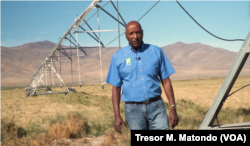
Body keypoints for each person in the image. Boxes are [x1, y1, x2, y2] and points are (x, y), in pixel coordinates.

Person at [106, 21, 179, 133]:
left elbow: (166, 81)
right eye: (131, 33)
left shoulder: (156, 51)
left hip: (156, 106)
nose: (135, 36)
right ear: (126, 35)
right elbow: (116, 88)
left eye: (138, 33)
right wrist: (117, 116)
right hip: (133, 110)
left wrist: (173, 107)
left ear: (142, 33)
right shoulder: (118, 57)